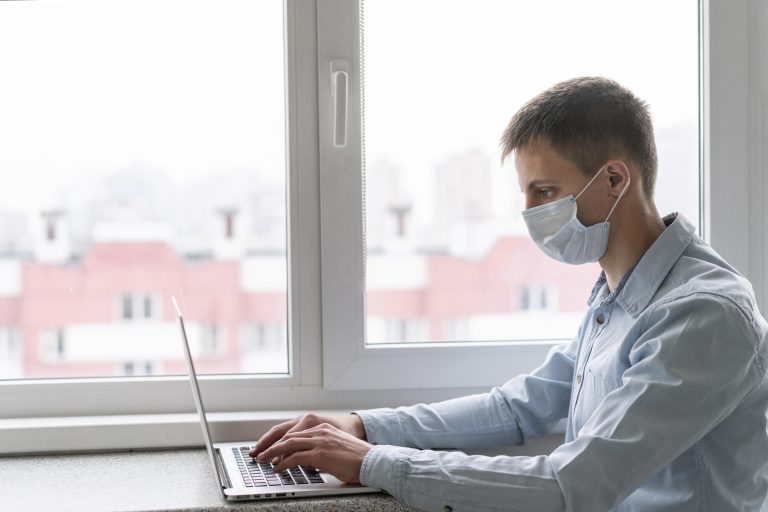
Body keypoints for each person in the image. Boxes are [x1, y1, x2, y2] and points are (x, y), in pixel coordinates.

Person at [250, 77, 768, 511]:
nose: (530, 213)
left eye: (544, 192)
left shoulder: (704, 315)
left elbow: (571, 485)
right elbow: (518, 408)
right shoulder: (621, 294)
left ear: (614, 178)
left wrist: (369, 461)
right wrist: (364, 426)